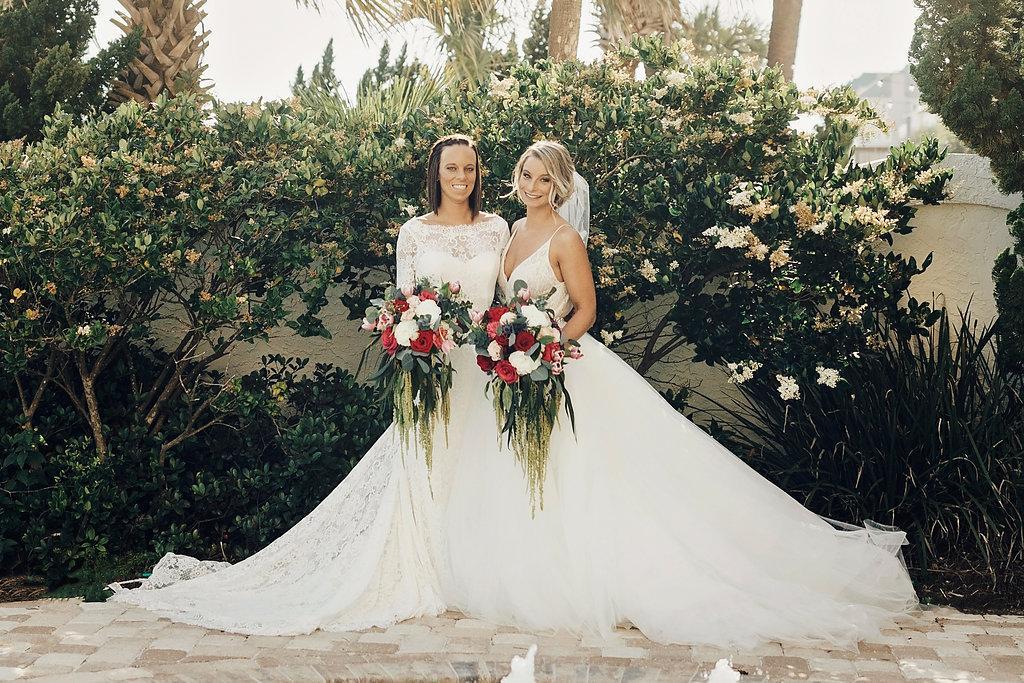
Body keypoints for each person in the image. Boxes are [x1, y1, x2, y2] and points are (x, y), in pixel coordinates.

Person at [439, 140, 919, 648]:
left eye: (544, 179)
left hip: (558, 366)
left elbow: (585, 309)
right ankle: (530, 564)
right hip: (513, 368)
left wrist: (547, 347)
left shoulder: (565, 239)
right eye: (526, 176)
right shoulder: (511, 230)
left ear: (559, 186)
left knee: (580, 472)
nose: (533, 187)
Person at [108, 134, 510, 636]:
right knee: (427, 467)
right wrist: (412, 344)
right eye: (452, 167)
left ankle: (473, 573)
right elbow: (403, 302)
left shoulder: (497, 229)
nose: (461, 177)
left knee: (478, 468)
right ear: (436, 173)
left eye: (469, 168)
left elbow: (504, 296)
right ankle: (428, 569)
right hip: (430, 369)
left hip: (483, 369)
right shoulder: (414, 232)